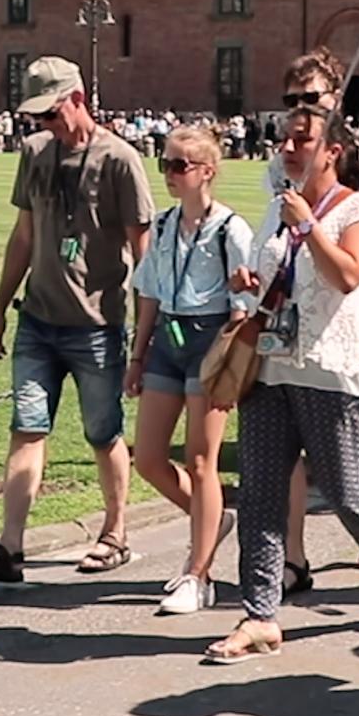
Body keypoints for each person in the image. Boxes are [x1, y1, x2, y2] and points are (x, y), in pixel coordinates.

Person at [203, 106, 359, 662]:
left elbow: (347, 275)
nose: (289, 148)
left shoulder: (358, 207)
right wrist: (246, 281)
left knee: (344, 491)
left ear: (332, 151)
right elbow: (272, 278)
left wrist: (309, 225)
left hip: (330, 369)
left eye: (303, 140)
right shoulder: (277, 208)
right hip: (269, 366)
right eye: (284, 139)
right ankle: (259, 615)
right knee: (261, 496)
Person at [0, 56, 154, 582]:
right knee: (27, 428)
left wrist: (144, 337)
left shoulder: (119, 159)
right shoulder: (34, 152)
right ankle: (10, 546)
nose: (45, 123)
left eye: (51, 112)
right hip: (38, 322)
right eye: (37, 115)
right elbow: (23, 235)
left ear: (77, 97)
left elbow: (145, 253)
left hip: (96, 325)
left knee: (103, 433)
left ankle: (115, 532)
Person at [262, 47, 359, 596]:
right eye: (291, 100)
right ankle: (292, 559)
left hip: (343, 308)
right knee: (282, 467)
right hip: (287, 330)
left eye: (311, 99)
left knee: (345, 476)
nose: (299, 109)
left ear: (335, 99)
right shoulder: (280, 161)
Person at [124, 124, 255, 615]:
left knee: (203, 461)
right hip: (168, 340)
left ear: (207, 171)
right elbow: (150, 293)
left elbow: (244, 305)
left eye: (179, 165)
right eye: (166, 164)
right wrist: (137, 357)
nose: (170, 174)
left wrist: (233, 369)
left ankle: (198, 574)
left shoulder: (230, 229)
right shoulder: (161, 226)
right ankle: (213, 519)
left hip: (211, 340)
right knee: (150, 459)